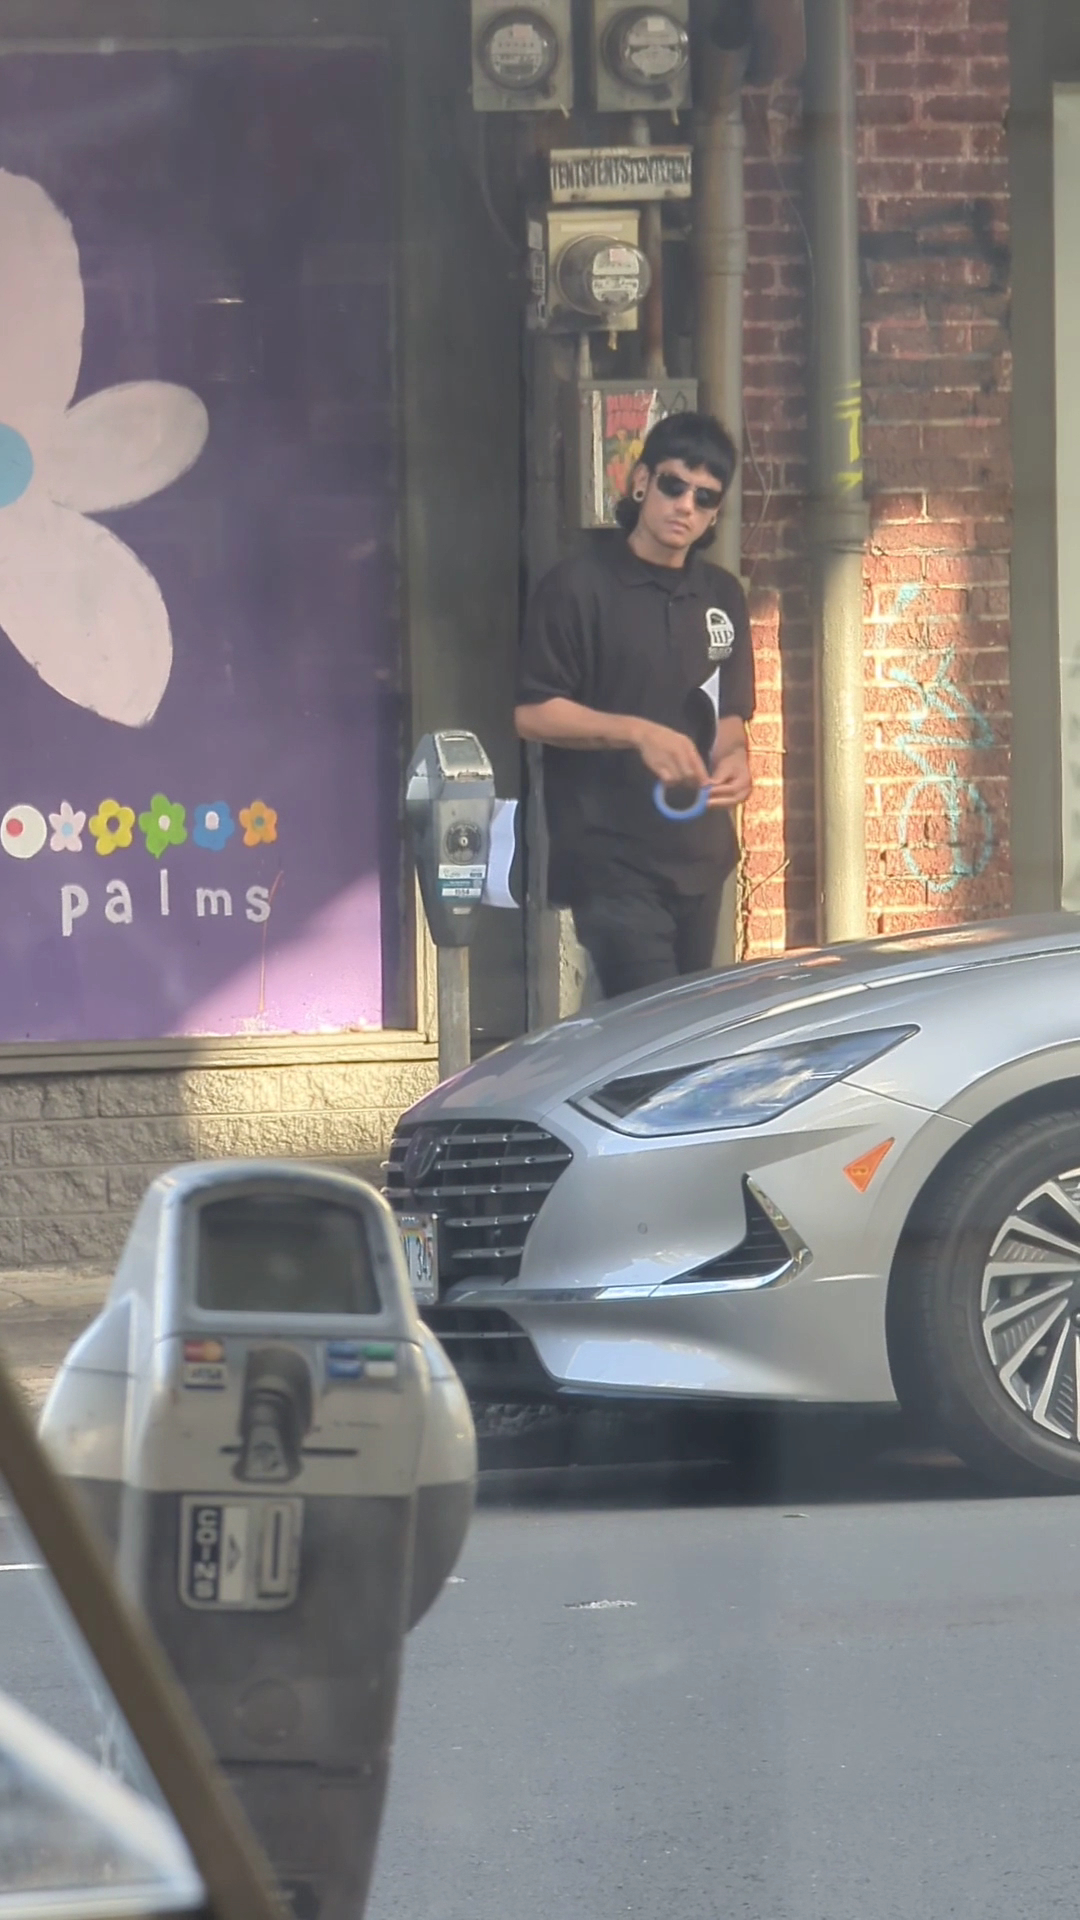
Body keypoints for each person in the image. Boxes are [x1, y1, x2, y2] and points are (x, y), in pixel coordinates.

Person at [514, 410, 755, 1001]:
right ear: (641, 481)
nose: (685, 507)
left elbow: (727, 715)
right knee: (654, 1024)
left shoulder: (721, 595)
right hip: (610, 855)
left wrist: (736, 760)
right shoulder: (578, 586)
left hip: (700, 855)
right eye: (674, 485)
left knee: (684, 1030)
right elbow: (533, 713)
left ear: (716, 513)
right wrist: (638, 733)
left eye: (704, 497)